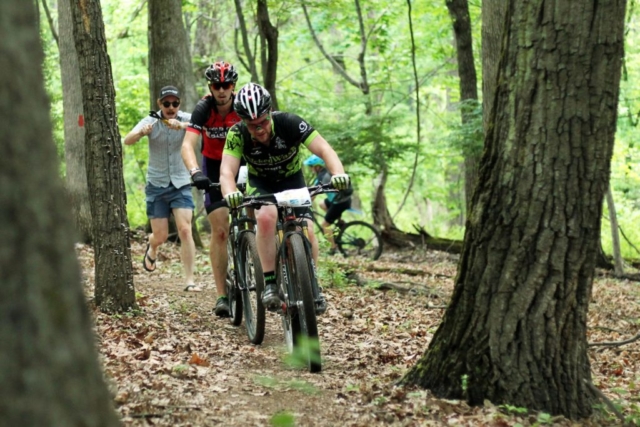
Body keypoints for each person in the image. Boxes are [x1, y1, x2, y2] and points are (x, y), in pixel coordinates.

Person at [219, 83, 350, 312]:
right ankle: (270, 283)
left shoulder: (289, 122)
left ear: (270, 113)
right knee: (266, 217)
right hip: (261, 183)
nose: (259, 129)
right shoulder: (237, 134)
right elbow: (226, 172)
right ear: (242, 122)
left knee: (307, 229)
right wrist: (229, 192)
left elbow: (324, 150)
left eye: (262, 122)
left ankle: (312, 284)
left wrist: (338, 173)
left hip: (292, 180)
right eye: (252, 126)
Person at [181, 61, 242, 316]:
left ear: (233, 86)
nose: (221, 90)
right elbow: (187, 144)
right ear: (210, 86)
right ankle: (221, 296)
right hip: (214, 166)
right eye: (216, 85)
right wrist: (195, 171)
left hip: (244, 162)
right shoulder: (204, 108)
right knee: (220, 231)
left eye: (226, 85)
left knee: (263, 217)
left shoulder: (243, 106)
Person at [124, 85, 198, 291]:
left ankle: (190, 280)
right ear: (160, 104)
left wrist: (182, 126)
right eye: (167, 103)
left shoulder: (185, 118)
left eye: (175, 103)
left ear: (179, 104)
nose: (171, 107)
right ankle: (152, 247)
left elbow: (205, 125)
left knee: (185, 229)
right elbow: (127, 140)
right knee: (161, 236)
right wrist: (141, 132)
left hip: (181, 182)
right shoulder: (151, 120)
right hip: (156, 185)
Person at [304, 154, 352, 255]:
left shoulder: (322, 177)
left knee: (325, 225)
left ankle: (333, 249)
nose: (311, 169)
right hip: (343, 200)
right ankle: (339, 221)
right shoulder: (326, 173)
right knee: (322, 204)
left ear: (317, 166)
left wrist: (304, 204)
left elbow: (313, 195)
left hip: (340, 203)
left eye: (312, 167)